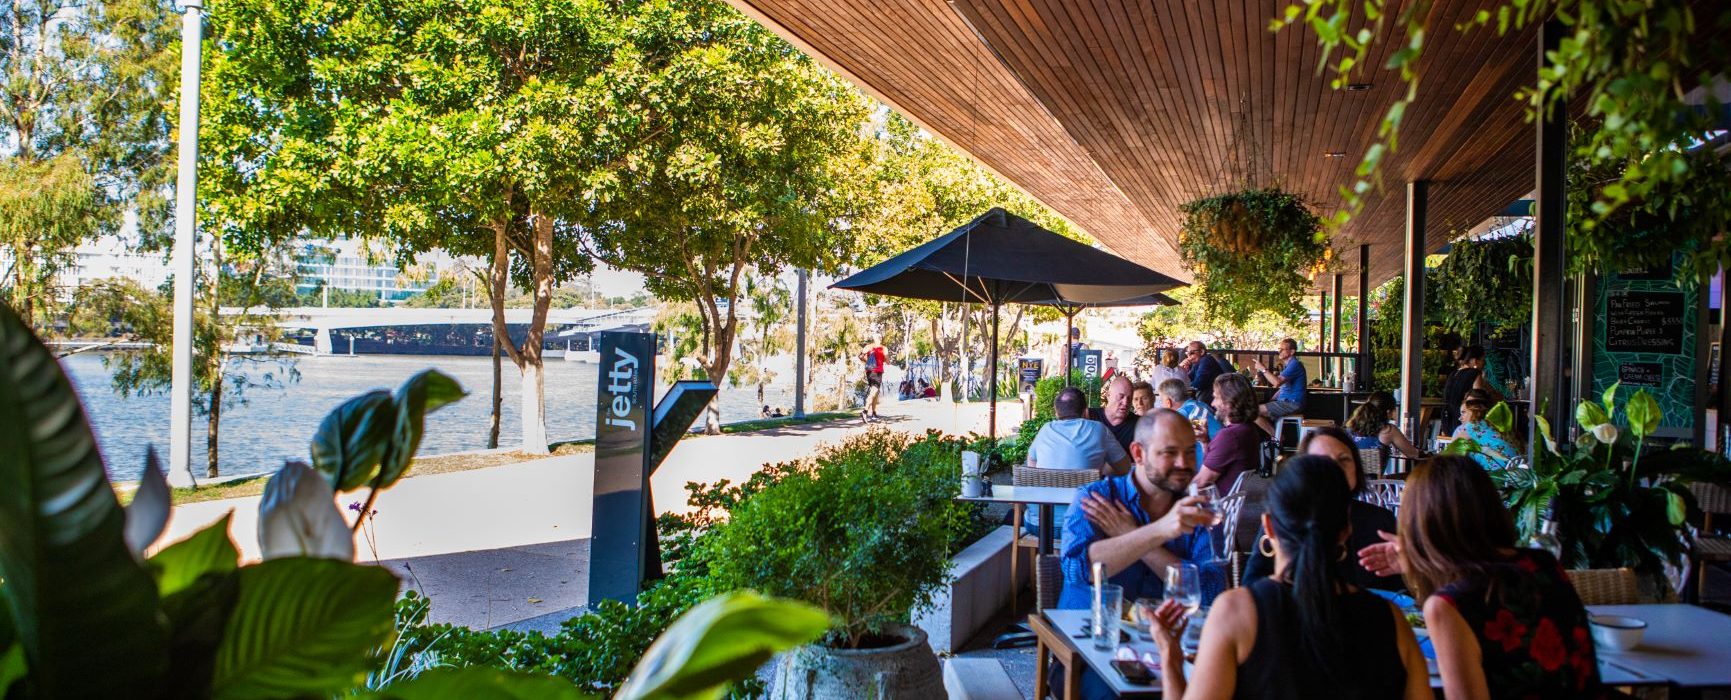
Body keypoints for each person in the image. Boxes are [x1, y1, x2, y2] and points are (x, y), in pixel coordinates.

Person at [1149, 455, 1430, 699]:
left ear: (1268, 527)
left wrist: (1170, 658)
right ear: (1346, 529)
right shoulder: (1391, 621)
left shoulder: (1237, 613)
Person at [1359, 457, 1604, 698]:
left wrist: (1421, 560)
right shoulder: (1542, 563)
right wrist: (1420, 562)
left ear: (1420, 522)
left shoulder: (1448, 607)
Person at [1060, 409, 1224, 610]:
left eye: (1190, 452)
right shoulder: (1096, 497)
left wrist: (1133, 535)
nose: (1183, 463)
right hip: (1092, 630)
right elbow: (1075, 570)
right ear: (1138, 453)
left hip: (1168, 634)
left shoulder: (1201, 510)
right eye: (1169, 452)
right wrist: (1159, 531)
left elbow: (1210, 593)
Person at [1244, 426, 1404, 591]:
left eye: (1344, 460)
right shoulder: (1285, 518)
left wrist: (1410, 566)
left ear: (1357, 468)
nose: (1335, 470)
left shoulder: (1380, 520)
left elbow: (1403, 594)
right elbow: (1252, 584)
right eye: (1322, 462)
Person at [1026, 387, 1132, 535]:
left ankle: (1055, 555)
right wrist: (1099, 470)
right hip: (1084, 524)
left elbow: (1032, 465)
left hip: (1039, 524)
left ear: (1056, 413)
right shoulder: (1099, 430)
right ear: (1085, 411)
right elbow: (1125, 468)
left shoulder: (1045, 429)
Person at [1193, 373, 1267, 491]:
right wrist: (1205, 441)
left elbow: (1201, 482)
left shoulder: (1229, 436)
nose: (1212, 403)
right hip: (1224, 502)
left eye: (1216, 397)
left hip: (1211, 503)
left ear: (1230, 401)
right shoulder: (1249, 429)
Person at [1156, 378, 1219, 466]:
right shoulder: (1199, 405)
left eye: (1161, 401)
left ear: (1168, 402)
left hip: (1213, 465)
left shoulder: (1184, 415)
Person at [1441, 345, 1502, 434]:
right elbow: (1478, 398)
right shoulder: (1474, 373)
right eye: (1483, 360)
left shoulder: (1453, 374)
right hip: (1463, 420)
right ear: (1474, 361)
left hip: (1447, 420)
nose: (1484, 364)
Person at [1451, 389, 1519, 469]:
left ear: (1475, 411)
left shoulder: (1473, 426)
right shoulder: (1495, 423)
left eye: (1464, 412)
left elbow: (1452, 452)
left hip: (1494, 476)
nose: (1460, 418)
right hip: (1512, 475)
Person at [1252, 338, 1307, 436]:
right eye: (1279, 348)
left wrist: (1263, 369)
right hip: (1286, 402)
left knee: (1252, 412)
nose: (1279, 351)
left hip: (1292, 403)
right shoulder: (1289, 365)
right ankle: (1276, 435)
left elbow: (1276, 383)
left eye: (1283, 349)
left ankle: (1277, 438)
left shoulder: (1295, 364)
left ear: (1292, 352)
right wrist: (1271, 400)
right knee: (1255, 411)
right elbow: (1283, 388)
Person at [1345, 391, 1423, 460]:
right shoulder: (1388, 430)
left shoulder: (1351, 427)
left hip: (1347, 475)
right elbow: (1412, 454)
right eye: (1393, 411)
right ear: (1388, 412)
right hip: (1373, 477)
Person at [1087, 373, 1137, 452]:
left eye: (1129, 398)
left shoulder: (1138, 424)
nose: (1125, 402)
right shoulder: (1089, 417)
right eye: (1121, 397)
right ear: (1108, 395)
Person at [1180, 340, 1228, 405]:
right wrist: (1182, 369)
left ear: (1202, 352)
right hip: (1208, 398)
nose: (1189, 356)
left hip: (1214, 401)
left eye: (1191, 353)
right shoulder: (1197, 363)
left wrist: (1187, 382)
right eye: (1187, 353)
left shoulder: (1206, 360)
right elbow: (1189, 378)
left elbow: (1198, 384)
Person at [859, 336, 886, 422]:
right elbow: (887, 360)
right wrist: (882, 359)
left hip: (869, 372)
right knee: (873, 392)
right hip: (877, 372)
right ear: (881, 339)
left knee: (876, 392)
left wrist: (868, 361)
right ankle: (865, 411)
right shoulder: (883, 348)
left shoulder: (868, 347)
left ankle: (874, 413)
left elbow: (860, 356)